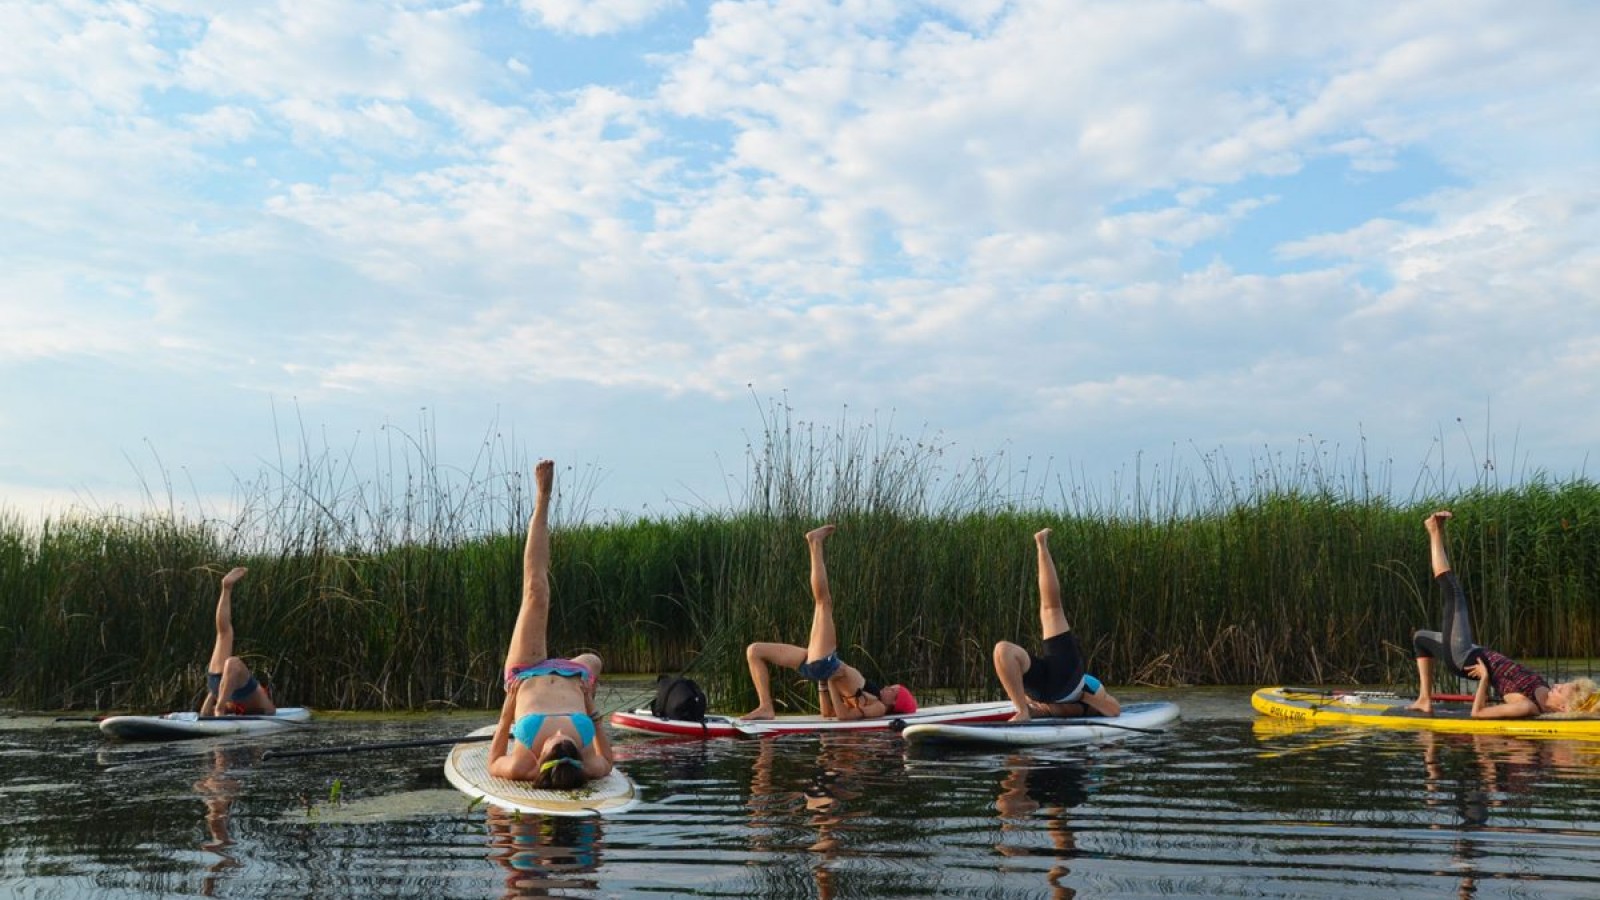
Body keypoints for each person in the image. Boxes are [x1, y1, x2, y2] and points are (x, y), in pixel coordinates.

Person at [488, 459, 615, 786]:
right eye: (568, 740)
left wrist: (506, 712)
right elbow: (609, 762)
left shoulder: (521, 766)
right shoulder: (587, 766)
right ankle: (581, 668)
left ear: (540, 757)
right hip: (575, 676)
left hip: (527, 671)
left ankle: (542, 497)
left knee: (536, 592)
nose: (560, 733)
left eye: (552, 742)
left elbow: (492, 763)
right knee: (595, 659)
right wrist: (592, 710)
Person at [1407, 510, 1599, 718]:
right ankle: (1425, 698)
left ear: (1563, 708)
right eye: (1562, 684)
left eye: (1561, 690)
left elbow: (1478, 714)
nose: (1558, 684)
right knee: (1420, 638)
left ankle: (1434, 531)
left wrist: (1484, 679)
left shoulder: (1527, 706)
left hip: (1463, 656)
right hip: (1475, 650)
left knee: (1453, 591)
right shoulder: (1546, 691)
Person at [743, 524, 917, 721]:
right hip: (821, 666)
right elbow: (828, 713)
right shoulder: (871, 696)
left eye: (892, 690)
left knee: (823, 603)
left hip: (826, 665)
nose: (887, 687)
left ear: (894, 702)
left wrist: (831, 681)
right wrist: (825, 682)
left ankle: (815, 542)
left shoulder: (878, 707)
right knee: (754, 650)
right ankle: (766, 706)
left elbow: (842, 717)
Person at [992, 528, 1121, 723]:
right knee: (1002, 650)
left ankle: (1041, 545)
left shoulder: (1092, 688)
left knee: (1051, 608)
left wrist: (1078, 701)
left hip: (1066, 685)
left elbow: (1114, 709)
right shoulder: (1082, 677)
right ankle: (1022, 710)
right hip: (1045, 689)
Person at [199, 567, 275, 716]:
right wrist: (215, 702)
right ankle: (226, 588)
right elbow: (203, 714)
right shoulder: (261, 702)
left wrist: (212, 698)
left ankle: (226, 589)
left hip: (219, 684)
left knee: (225, 636)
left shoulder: (228, 696)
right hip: (226, 687)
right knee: (225, 636)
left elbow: (204, 714)